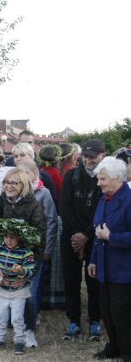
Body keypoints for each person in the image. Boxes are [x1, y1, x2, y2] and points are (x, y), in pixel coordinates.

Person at [0, 168, 46, 347]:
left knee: (29, 296)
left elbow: (39, 237)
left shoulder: (34, 205)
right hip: (2, 257)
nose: (9, 186)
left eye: (14, 183)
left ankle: (28, 332)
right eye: (7, 182)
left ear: (23, 185)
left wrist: (27, 270)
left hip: (25, 260)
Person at [88, 157, 131, 362]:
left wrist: (112, 237)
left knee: (122, 312)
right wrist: (94, 260)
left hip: (124, 268)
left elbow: (109, 234)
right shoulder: (104, 198)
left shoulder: (129, 200)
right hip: (104, 264)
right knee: (106, 309)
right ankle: (113, 346)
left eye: (102, 179)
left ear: (116, 177)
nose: (99, 183)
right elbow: (98, 232)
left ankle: (128, 353)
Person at [60, 138, 104, 340]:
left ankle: (95, 319)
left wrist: (86, 235)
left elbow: (102, 210)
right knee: (71, 280)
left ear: (102, 155)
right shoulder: (71, 176)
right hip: (71, 235)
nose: (88, 160)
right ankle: (74, 320)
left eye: (92, 157)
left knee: (94, 280)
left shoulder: (105, 177)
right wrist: (77, 236)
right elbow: (65, 207)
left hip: (95, 236)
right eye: (85, 156)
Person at [0, 218, 39, 355]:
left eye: (13, 238)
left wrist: (21, 271)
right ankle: (0, 339)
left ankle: (19, 341)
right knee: (0, 316)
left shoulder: (26, 252)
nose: (9, 240)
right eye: (7, 237)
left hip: (19, 292)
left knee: (17, 317)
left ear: (20, 238)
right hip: (2, 290)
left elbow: (31, 270)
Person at [17, 159, 58, 340]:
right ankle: (18, 320)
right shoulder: (15, 192)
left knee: (31, 290)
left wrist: (48, 247)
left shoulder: (43, 193)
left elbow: (52, 221)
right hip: (16, 249)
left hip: (37, 249)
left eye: (25, 172)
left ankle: (29, 326)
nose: (21, 177)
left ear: (34, 173)